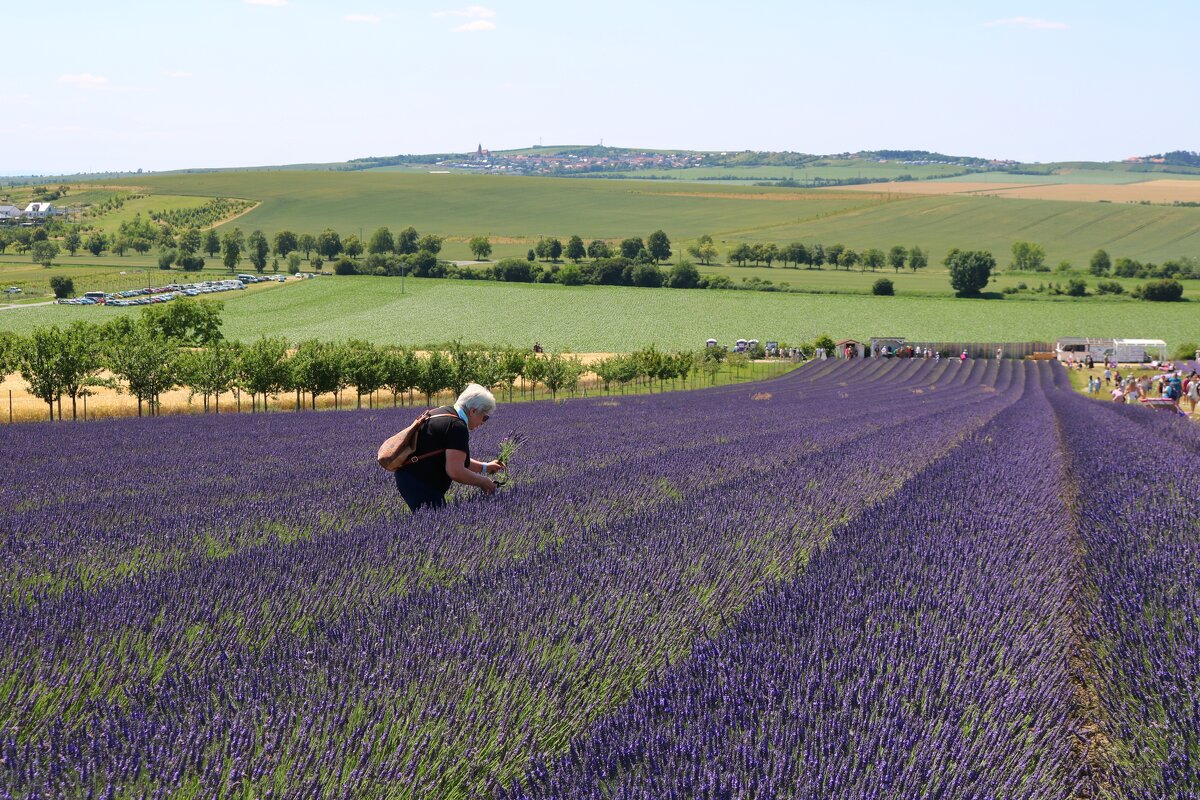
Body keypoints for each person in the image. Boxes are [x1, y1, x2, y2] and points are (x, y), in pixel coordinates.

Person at [394, 383, 504, 513]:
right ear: (473, 411)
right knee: (434, 527)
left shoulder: (439, 412)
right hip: (422, 484)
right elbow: (455, 471)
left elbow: (456, 459)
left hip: (409, 478)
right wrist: (484, 482)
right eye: (484, 417)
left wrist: (485, 467)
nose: (483, 423)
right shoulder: (457, 426)